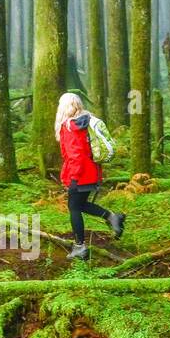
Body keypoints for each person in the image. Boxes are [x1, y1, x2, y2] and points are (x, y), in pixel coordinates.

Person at [54, 92, 125, 261]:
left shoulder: (70, 126)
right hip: (91, 172)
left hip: (80, 174)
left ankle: (79, 246)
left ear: (63, 107)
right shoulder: (84, 123)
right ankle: (112, 217)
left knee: (74, 208)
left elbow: (76, 155)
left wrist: (74, 178)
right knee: (80, 205)